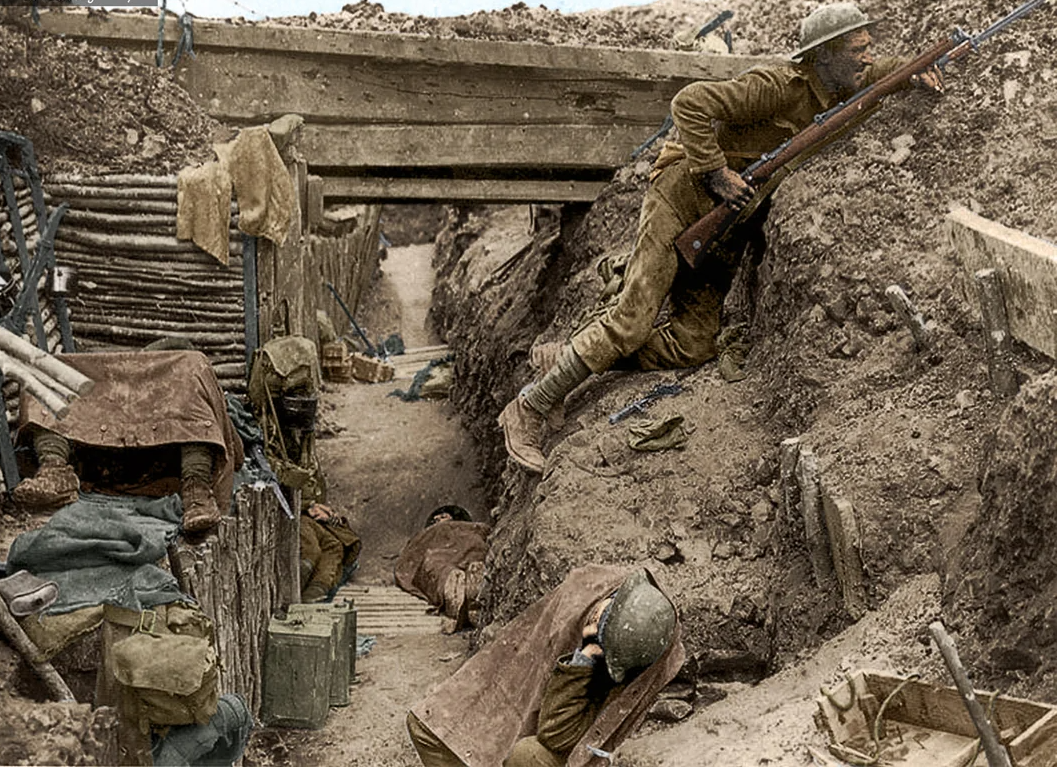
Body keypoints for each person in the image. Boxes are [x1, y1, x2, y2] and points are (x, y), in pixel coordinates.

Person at [498, 2, 945, 473]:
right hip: (682, 199)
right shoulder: (776, 87)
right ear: (824, 57)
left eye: (869, 49)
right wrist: (715, 173)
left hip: (722, 230)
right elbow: (689, 103)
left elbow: (881, 72)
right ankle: (528, 407)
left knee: (695, 345)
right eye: (858, 49)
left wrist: (915, 72)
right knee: (632, 320)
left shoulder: (838, 88)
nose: (867, 58)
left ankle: (574, 356)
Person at [406, 566, 684, 767]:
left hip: (562, 729)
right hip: (524, 684)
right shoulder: (587, 593)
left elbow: (557, 735)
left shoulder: (636, 657)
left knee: (526, 755)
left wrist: (585, 658)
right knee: (426, 726)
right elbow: (519, 663)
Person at [11, 347, 244, 534]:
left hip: (168, 464)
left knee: (191, 369)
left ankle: (197, 492)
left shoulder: (187, 369)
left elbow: (234, 451)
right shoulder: (123, 380)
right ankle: (54, 469)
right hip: (97, 461)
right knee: (43, 369)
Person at [394, 505, 488, 630]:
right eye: (435, 520)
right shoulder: (431, 532)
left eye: (443, 517)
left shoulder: (465, 527)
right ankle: (466, 587)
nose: (438, 521)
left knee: (435, 565)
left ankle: (453, 585)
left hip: (462, 548)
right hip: (449, 553)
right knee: (438, 564)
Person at [300, 501, 362, 603]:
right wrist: (309, 506)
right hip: (294, 517)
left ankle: (314, 593)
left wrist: (328, 513)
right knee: (311, 550)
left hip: (313, 520)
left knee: (334, 546)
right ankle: (290, 593)